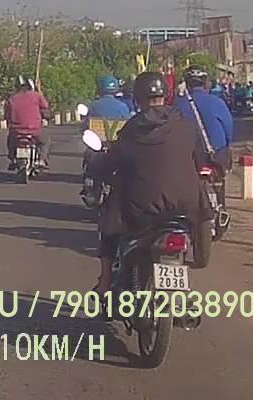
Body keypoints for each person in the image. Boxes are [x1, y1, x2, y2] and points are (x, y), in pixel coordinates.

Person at [85, 71, 212, 293]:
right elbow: (200, 161)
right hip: (186, 207)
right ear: (166, 95)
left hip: (143, 209)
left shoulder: (132, 129)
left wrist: (96, 164)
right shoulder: (186, 125)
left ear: (137, 98)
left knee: (110, 218)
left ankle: (105, 281)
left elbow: (111, 162)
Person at [173, 67, 234, 171]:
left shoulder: (177, 105)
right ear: (206, 84)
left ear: (186, 85)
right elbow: (228, 131)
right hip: (216, 158)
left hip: (189, 160)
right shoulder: (217, 102)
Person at [5, 76, 52, 170]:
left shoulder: (12, 99)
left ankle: (12, 159)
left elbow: (7, 116)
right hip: (34, 131)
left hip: (16, 132)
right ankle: (42, 159)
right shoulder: (36, 96)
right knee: (45, 141)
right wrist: (39, 90)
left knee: (10, 140)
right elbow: (45, 106)